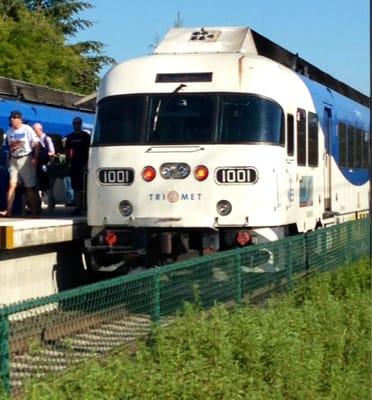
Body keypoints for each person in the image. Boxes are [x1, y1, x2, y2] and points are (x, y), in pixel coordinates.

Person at [0, 111, 39, 217]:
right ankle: (9, 211)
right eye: (11, 118)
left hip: (25, 158)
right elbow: (9, 146)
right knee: (12, 185)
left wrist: (35, 157)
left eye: (14, 117)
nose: (11, 119)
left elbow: (36, 143)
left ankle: (34, 211)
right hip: (14, 159)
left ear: (19, 119)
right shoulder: (9, 131)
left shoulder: (27, 129)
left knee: (29, 187)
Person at [65, 117, 90, 215]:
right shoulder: (70, 137)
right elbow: (67, 152)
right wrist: (67, 164)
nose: (76, 125)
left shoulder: (85, 136)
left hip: (84, 163)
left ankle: (87, 205)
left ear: (80, 124)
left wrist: (87, 163)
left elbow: (89, 151)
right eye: (74, 123)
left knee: (85, 185)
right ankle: (78, 206)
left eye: (78, 123)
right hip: (74, 164)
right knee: (75, 186)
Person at [33, 123, 55, 211]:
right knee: (37, 185)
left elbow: (52, 152)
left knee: (46, 186)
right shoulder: (35, 140)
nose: (34, 131)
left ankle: (50, 202)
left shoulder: (47, 139)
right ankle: (38, 206)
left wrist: (43, 155)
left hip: (45, 166)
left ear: (40, 129)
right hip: (37, 166)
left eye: (35, 129)